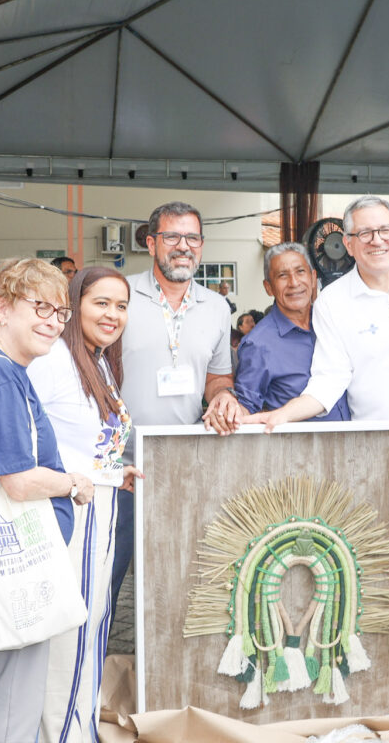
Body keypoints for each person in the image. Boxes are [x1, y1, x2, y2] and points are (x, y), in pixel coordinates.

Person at [245, 195, 389, 686]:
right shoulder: (334, 302)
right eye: (364, 233)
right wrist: (280, 416)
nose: (376, 240)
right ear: (346, 243)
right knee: (382, 558)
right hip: (377, 457)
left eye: (384, 230)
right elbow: (329, 380)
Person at [0, 258, 95, 743]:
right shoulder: (0, 373)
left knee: (2, 691)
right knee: (14, 699)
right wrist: (72, 483)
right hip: (20, 558)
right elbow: (17, 480)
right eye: (40, 307)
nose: (53, 322)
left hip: (19, 558)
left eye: (60, 312)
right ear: (0, 307)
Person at [28, 265, 141, 742]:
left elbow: (84, 444)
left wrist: (115, 472)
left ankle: (80, 728)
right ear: (74, 306)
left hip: (103, 510)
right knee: (68, 637)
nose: (112, 314)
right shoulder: (53, 360)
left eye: (121, 305)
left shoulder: (98, 361)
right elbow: (26, 440)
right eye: (101, 303)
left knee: (92, 630)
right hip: (71, 517)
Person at [114, 201, 241, 604]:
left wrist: (223, 396)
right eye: (172, 237)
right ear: (151, 244)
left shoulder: (217, 307)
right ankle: (97, 646)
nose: (183, 246)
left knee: (177, 577)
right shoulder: (120, 295)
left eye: (192, 238)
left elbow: (217, 376)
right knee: (107, 578)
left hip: (184, 464)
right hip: (120, 467)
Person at [233, 242, 348, 419]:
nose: (294, 283)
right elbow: (245, 408)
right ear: (268, 287)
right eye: (282, 275)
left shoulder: (332, 322)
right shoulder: (258, 344)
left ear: (313, 277)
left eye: (300, 271)